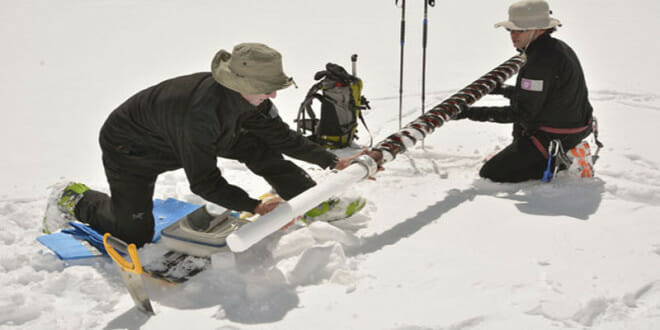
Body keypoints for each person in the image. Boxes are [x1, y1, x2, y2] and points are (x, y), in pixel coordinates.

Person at [45, 43, 362, 246]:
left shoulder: (251, 101)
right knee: (134, 234)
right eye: (268, 89)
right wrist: (254, 206)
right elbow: (205, 181)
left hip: (188, 135)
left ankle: (309, 198)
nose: (274, 95)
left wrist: (331, 162)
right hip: (133, 149)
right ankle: (74, 198)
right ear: (242, 85)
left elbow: (281, 136)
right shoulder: (200, 116)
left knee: (258, 146)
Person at [455, 0, 594, 182]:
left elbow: (522, 112)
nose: (513, 35)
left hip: (556, 135)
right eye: (510, 30)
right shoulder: (556, 48)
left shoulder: (538, 61)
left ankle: (562, 161)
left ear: (540, 29)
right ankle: (534, 153)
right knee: (521, 121)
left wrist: (468, 113)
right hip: (575, 125)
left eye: (520, 30)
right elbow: (538, 96)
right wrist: (503, 90)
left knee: (491, 172)